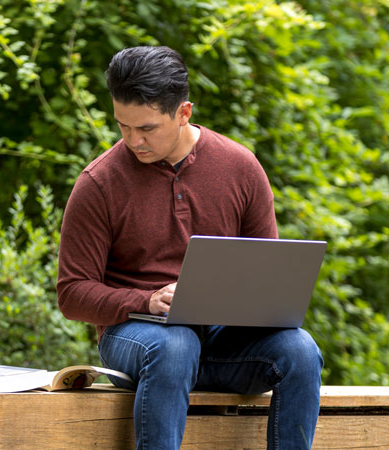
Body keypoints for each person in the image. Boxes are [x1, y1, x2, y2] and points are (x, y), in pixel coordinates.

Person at [56, 45, 323, 450]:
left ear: (184, 113)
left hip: (224, 344)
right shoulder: (98, 184)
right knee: (176, 344)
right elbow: (72, 293)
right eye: (123, 126)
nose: (133, 140)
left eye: (147, 128)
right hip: (139, 338)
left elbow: (268, 273)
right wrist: (146, 301)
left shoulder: (240, 167)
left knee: (300, 349)